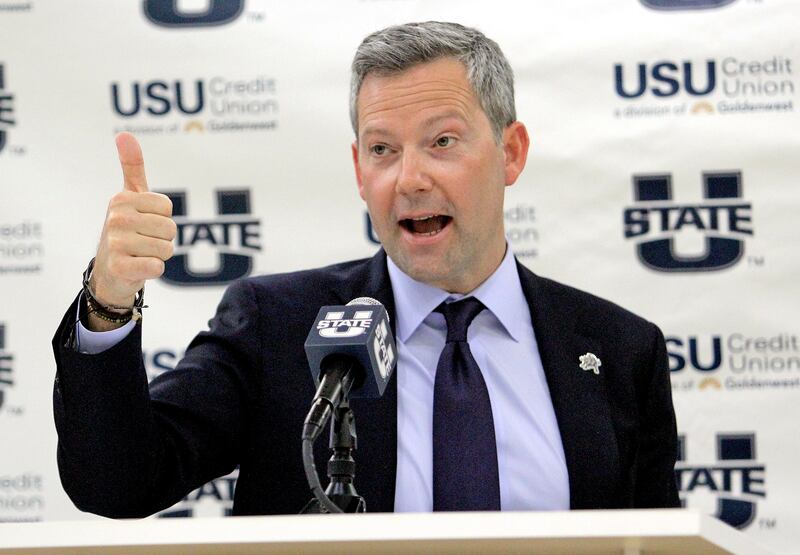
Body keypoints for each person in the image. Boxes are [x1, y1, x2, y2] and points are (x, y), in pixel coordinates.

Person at [53, 21, 679, 517]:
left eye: (442, 142)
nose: (409, 179)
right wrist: (108, 300)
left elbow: (653, 539)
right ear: (359, 171)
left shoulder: (622, 351)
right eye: (383, 150)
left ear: (510, 153)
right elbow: (118, 483)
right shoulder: (276, 325)